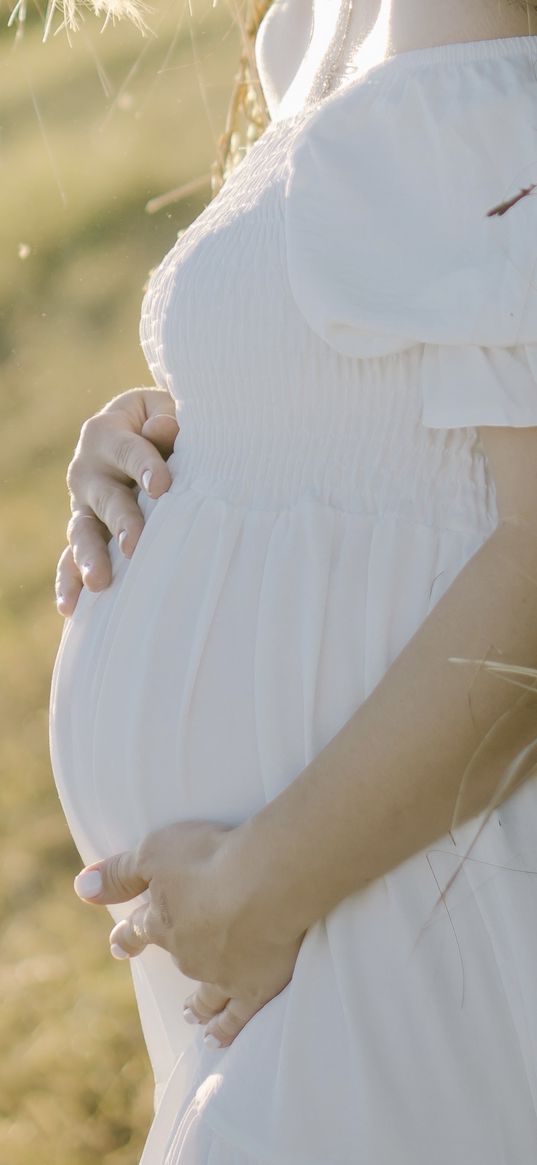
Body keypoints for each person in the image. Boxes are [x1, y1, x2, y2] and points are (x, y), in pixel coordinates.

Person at [49, 1, 537, 1161]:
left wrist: (267, 881)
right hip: (304, 919)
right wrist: (172, 442)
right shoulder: (312, 25)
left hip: (400, 902)